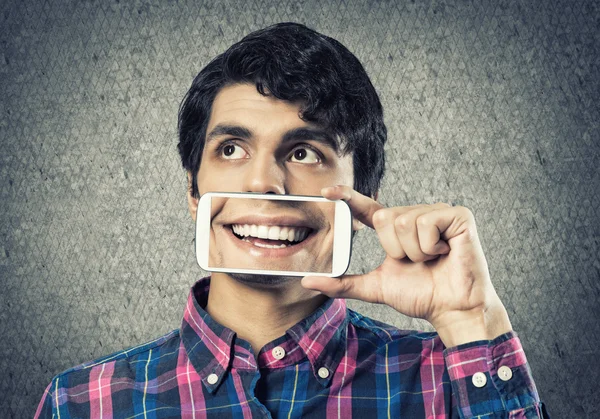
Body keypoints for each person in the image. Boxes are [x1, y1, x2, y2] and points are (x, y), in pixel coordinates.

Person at [35, 22, 549, 418]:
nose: (264, 184)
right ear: (193, 190)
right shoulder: (82, 402)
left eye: (304, 152)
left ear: (363, 198)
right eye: (232, 148)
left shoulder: (450, 380)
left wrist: (471, 323)